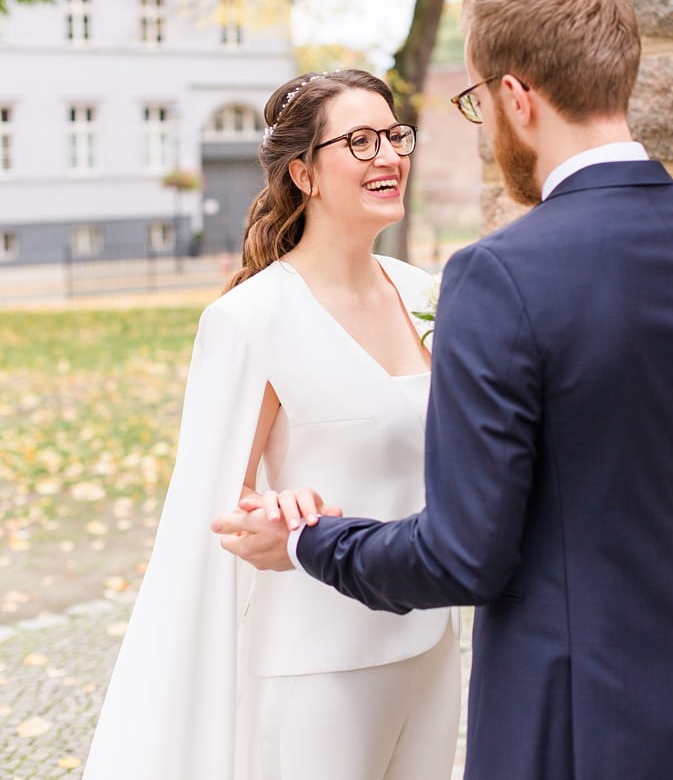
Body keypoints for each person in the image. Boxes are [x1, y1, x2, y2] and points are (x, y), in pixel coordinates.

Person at [214, 0, 673, 780]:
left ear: (518, 98)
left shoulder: (499, 274)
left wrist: (315, 542)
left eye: (477, 104)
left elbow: (466, 556)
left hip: (562, 718)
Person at [84, 69, 461, 780]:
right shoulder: (249, 320)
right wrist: (270, 508)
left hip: (430, 643)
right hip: (318, 663)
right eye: (359, 141)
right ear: (304, 172)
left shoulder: (427, 294)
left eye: (393, 135)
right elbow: (214, 515)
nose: (388, 155)